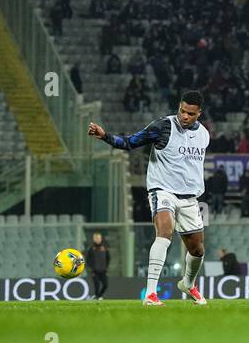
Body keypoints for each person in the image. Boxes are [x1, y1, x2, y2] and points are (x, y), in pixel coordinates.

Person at [89, 89, 211, 306]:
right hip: (162, 190)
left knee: (198, 250)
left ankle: (188, 284)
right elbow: (129, 143)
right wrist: (105, 136)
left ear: (199, 113)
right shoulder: (163, 126)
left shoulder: (204, 134)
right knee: (164, 233)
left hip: (190, 198)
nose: (184, 116)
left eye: (190, 114)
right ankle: (151, 294)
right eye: (182, 111)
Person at [86, 232, 110, 299]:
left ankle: (99, 296)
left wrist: (106, 267)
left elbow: (108, 258)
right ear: (94, 239)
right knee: (97, 285)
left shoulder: (105, 247)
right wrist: (91, 269)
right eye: (96, 238)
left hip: (103, 270)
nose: (98, 239)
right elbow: (88, 259)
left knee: (105, 285)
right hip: (94, 270)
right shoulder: (91, 248)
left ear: (101, 238)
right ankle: (97, 297)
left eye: (99, 238)